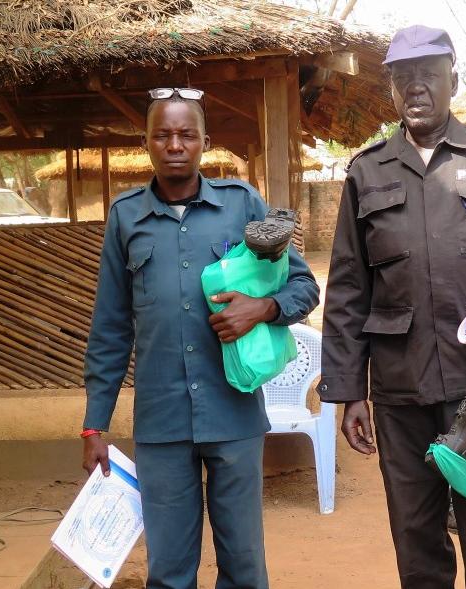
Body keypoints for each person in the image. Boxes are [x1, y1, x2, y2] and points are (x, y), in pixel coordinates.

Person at [316, 25, 466, 589]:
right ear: (391, 88)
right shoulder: (366, 171)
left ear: (453, 78)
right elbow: (349, 287)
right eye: (403, 78)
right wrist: (348, 392)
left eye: (428, 75)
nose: (415, 88)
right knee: (416, 542)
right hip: (401, 391)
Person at [81, 87, 320, 589]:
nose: (175, 145)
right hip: (161, 423)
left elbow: (303, 285)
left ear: (204, 142)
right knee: (168, 570)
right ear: (146, 143)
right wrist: (93, 426)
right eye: (162, 135)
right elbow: (110, 327)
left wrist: (262, 308)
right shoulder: (126, 216)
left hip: (233, 414)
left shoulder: (241, 204)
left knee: (244, 565)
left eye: (187, 134)